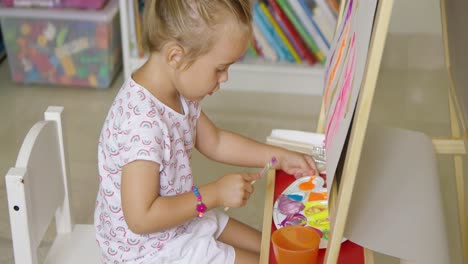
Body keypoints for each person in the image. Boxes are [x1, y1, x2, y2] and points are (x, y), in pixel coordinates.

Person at [94, 0, 317, 263]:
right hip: (147, 252)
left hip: (179, 221)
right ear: (175, 56)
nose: (225, 78)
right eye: (220, 68)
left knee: (273, 250)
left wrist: (281, 156)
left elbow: (217, 141)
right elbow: (141, 218)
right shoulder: (141, 123)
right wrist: (214, 194)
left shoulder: (176, 91)